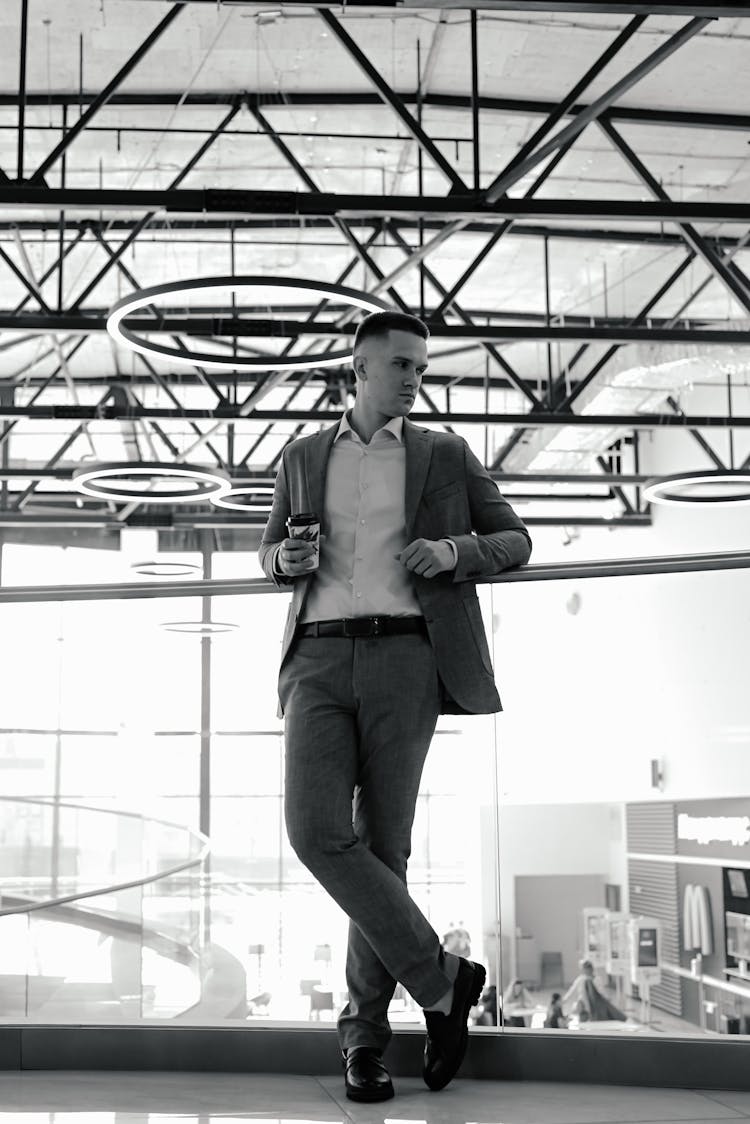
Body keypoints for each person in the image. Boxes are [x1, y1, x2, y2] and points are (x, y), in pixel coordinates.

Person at [259, 309, 532, 1103]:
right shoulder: (304, 454)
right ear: (360, 368)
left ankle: (365, 1045)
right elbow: (271, 551)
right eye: (402, 364)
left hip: (407, 656)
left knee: (386, 850)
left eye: (421, 365)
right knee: (315, 832)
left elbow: (515, 539)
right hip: (315, 655)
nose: (415, 377)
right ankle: (443, 982)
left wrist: (453, 552)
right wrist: (287, 557)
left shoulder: (445, 453)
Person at [562, 959, 626, 1022]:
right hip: (583, 1004)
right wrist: (565, 999)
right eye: (584, 969)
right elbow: (572, 989)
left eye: (588, 969)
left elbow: (601, 991)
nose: (586, 971)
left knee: (595, 1019)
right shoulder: (581, 979)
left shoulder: (597, 979)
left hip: (595, 1004)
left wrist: (606, 999)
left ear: (591, 969)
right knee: (583, 1020)